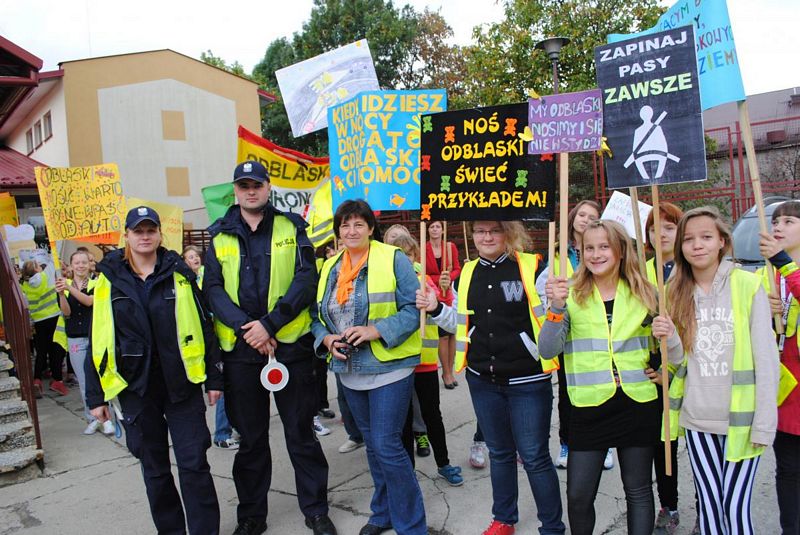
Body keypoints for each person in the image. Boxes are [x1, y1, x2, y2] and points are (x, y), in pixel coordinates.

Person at [203, 160, 336, 535]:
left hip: (290, 348)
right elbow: (212, 289)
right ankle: (251, 517)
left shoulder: (292, 227)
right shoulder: (218, 236)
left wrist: (270, 324)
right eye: (244, 186)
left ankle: (316, 510)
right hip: (242, 352)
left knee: (301, 434)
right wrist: (248, 329)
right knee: (250, 441)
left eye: (257, 185)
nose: (251, 191)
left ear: (268, 187)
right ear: (235, 191)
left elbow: (306, 280)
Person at [419, 220, 565, 535]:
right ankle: (504, 519)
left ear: (508, 233)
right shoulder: (465, 274)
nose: (486, 237)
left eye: (494, 230)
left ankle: (552, 527)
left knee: (534, 457)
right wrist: (435, 308)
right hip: (482, 381)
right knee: (499, 454)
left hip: (528, 381)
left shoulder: (534, 268)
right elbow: (459, 324)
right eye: (480, 231)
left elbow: (554, 319)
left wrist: (558, 303)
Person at [83, 206, 223, 535]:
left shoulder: (180, 273)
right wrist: (95, 396)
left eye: (150, 230)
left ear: (160, 234)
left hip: (181, 384)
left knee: (194, 464)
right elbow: (98, 338)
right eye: (138, 231)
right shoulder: (109, 280)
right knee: (155, 469)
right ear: (127, 236)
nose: (145, 236)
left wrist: (214, 377)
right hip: (136, 388)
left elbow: (205, 327)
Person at [539, 219, 682, 535]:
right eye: (589, 247)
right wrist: (556, 307)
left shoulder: (646, 292)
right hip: (587, 406)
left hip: (637, 403)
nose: (596, 254)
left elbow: (673, 351)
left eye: (604, 246)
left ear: (620, 251)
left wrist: (666, 360)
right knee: (578, 496)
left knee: (638, 490)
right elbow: (547, 349)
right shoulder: (568, 293)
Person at [661, 207, 778, 534]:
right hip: (697, 419)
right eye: (688, 239)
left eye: (706, 237)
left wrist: (765, 423)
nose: (697, 245)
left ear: (722, 242)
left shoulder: (747, 284)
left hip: (742, 421)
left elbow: (766, 358)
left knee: (735, 507)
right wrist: (669, 336)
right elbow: (678, 360)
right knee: (710, 507)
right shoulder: (674, 290)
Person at [312, 199, 425, 535]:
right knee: (374, 447)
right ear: (338, 231)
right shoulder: (330, 266)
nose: (351, 231)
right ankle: (383, 512)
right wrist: (326, 339)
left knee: (387, 445)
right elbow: (316, 316)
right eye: (345, 225)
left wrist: (376, 330)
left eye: (358, 224)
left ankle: (411, 525)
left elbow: (413, 309)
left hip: (389, 366)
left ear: (371, 228)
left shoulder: (393, 258)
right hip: (350, 371)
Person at [387, 232, 463, 486]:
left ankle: (444, 463)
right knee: (403, 419)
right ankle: (407, 471)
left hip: (425, 361)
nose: (407, 260)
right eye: (401, 255)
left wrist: (443, 291)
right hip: (398, 361)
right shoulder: (386, 280)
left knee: (432, 415)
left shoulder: (425, 280)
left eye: (410, 255)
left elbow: (445, 304)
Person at [535, 199, 605, 470]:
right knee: (568, 390)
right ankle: (567, 442)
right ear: (573, 217)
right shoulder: (556, 251)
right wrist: (550, 296)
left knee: (602, 386)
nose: (585, 220)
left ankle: (604, 443)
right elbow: (541, 287)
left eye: (592, 216)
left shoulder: (603, 249)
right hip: (566, 328)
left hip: (597, 327)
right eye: (582, 214)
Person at [759, 200, 800, 534]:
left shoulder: (785, 268)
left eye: (788, 221)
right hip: (783, 386)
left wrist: (785, 264)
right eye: (775, 221)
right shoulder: (765, 274)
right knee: (788, 469)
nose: (778, 227)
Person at [643, 201, 685, 532]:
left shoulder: (692, 267)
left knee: (699, 446)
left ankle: (710, 508)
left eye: (670, 227)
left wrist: (672, 373)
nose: (662, 235)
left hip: (690, 364)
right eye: (655, 229)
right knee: (663, 445)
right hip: (654, 365)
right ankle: (668, 506)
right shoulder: (639, 269)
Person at [183, 245, 238, 450]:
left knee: (233, 386)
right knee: (222, 386)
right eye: (190, 257)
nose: (195, 259)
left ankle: (235, 427)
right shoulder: (184, 282)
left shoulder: (209, 275)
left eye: (196, 256)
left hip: (223, 337)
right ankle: (222, 433)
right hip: (205, 342)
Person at [54, 250, 113, 435]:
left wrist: (69, 288)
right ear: (71, 266)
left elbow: (89, 302)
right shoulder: (65, 285)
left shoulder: (98, 283)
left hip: (96, 336)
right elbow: (67, 313)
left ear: (90, 264)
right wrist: (61, 294)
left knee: (103, 378)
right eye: (77, 263)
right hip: (75, 338)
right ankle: (93, 418)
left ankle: (108, 417)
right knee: (84, 381)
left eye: (84, 262)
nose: (80, 266)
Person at [20, 259, 68, 396]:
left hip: (39, 320)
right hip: (54, 316)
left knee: (41, 351)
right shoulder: (45, 276)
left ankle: (37, 380)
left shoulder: (25, 285)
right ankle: (57, 381)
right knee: (56, 349)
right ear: (36, 268)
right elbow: (53, 263)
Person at [425, 220, 461, 389]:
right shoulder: (424, 248)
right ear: (428, 230)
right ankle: (445, 372)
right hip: (435, 293)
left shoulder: (450, 247)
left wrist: (448, 278)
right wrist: (439, 279)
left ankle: (450, 371)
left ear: (442, 230)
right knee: (443, 335)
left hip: (449, 293)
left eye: (438, 226)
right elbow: (422, 271)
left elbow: (457, 269)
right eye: (432, 226)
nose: (435, 229)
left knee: (452, 333)